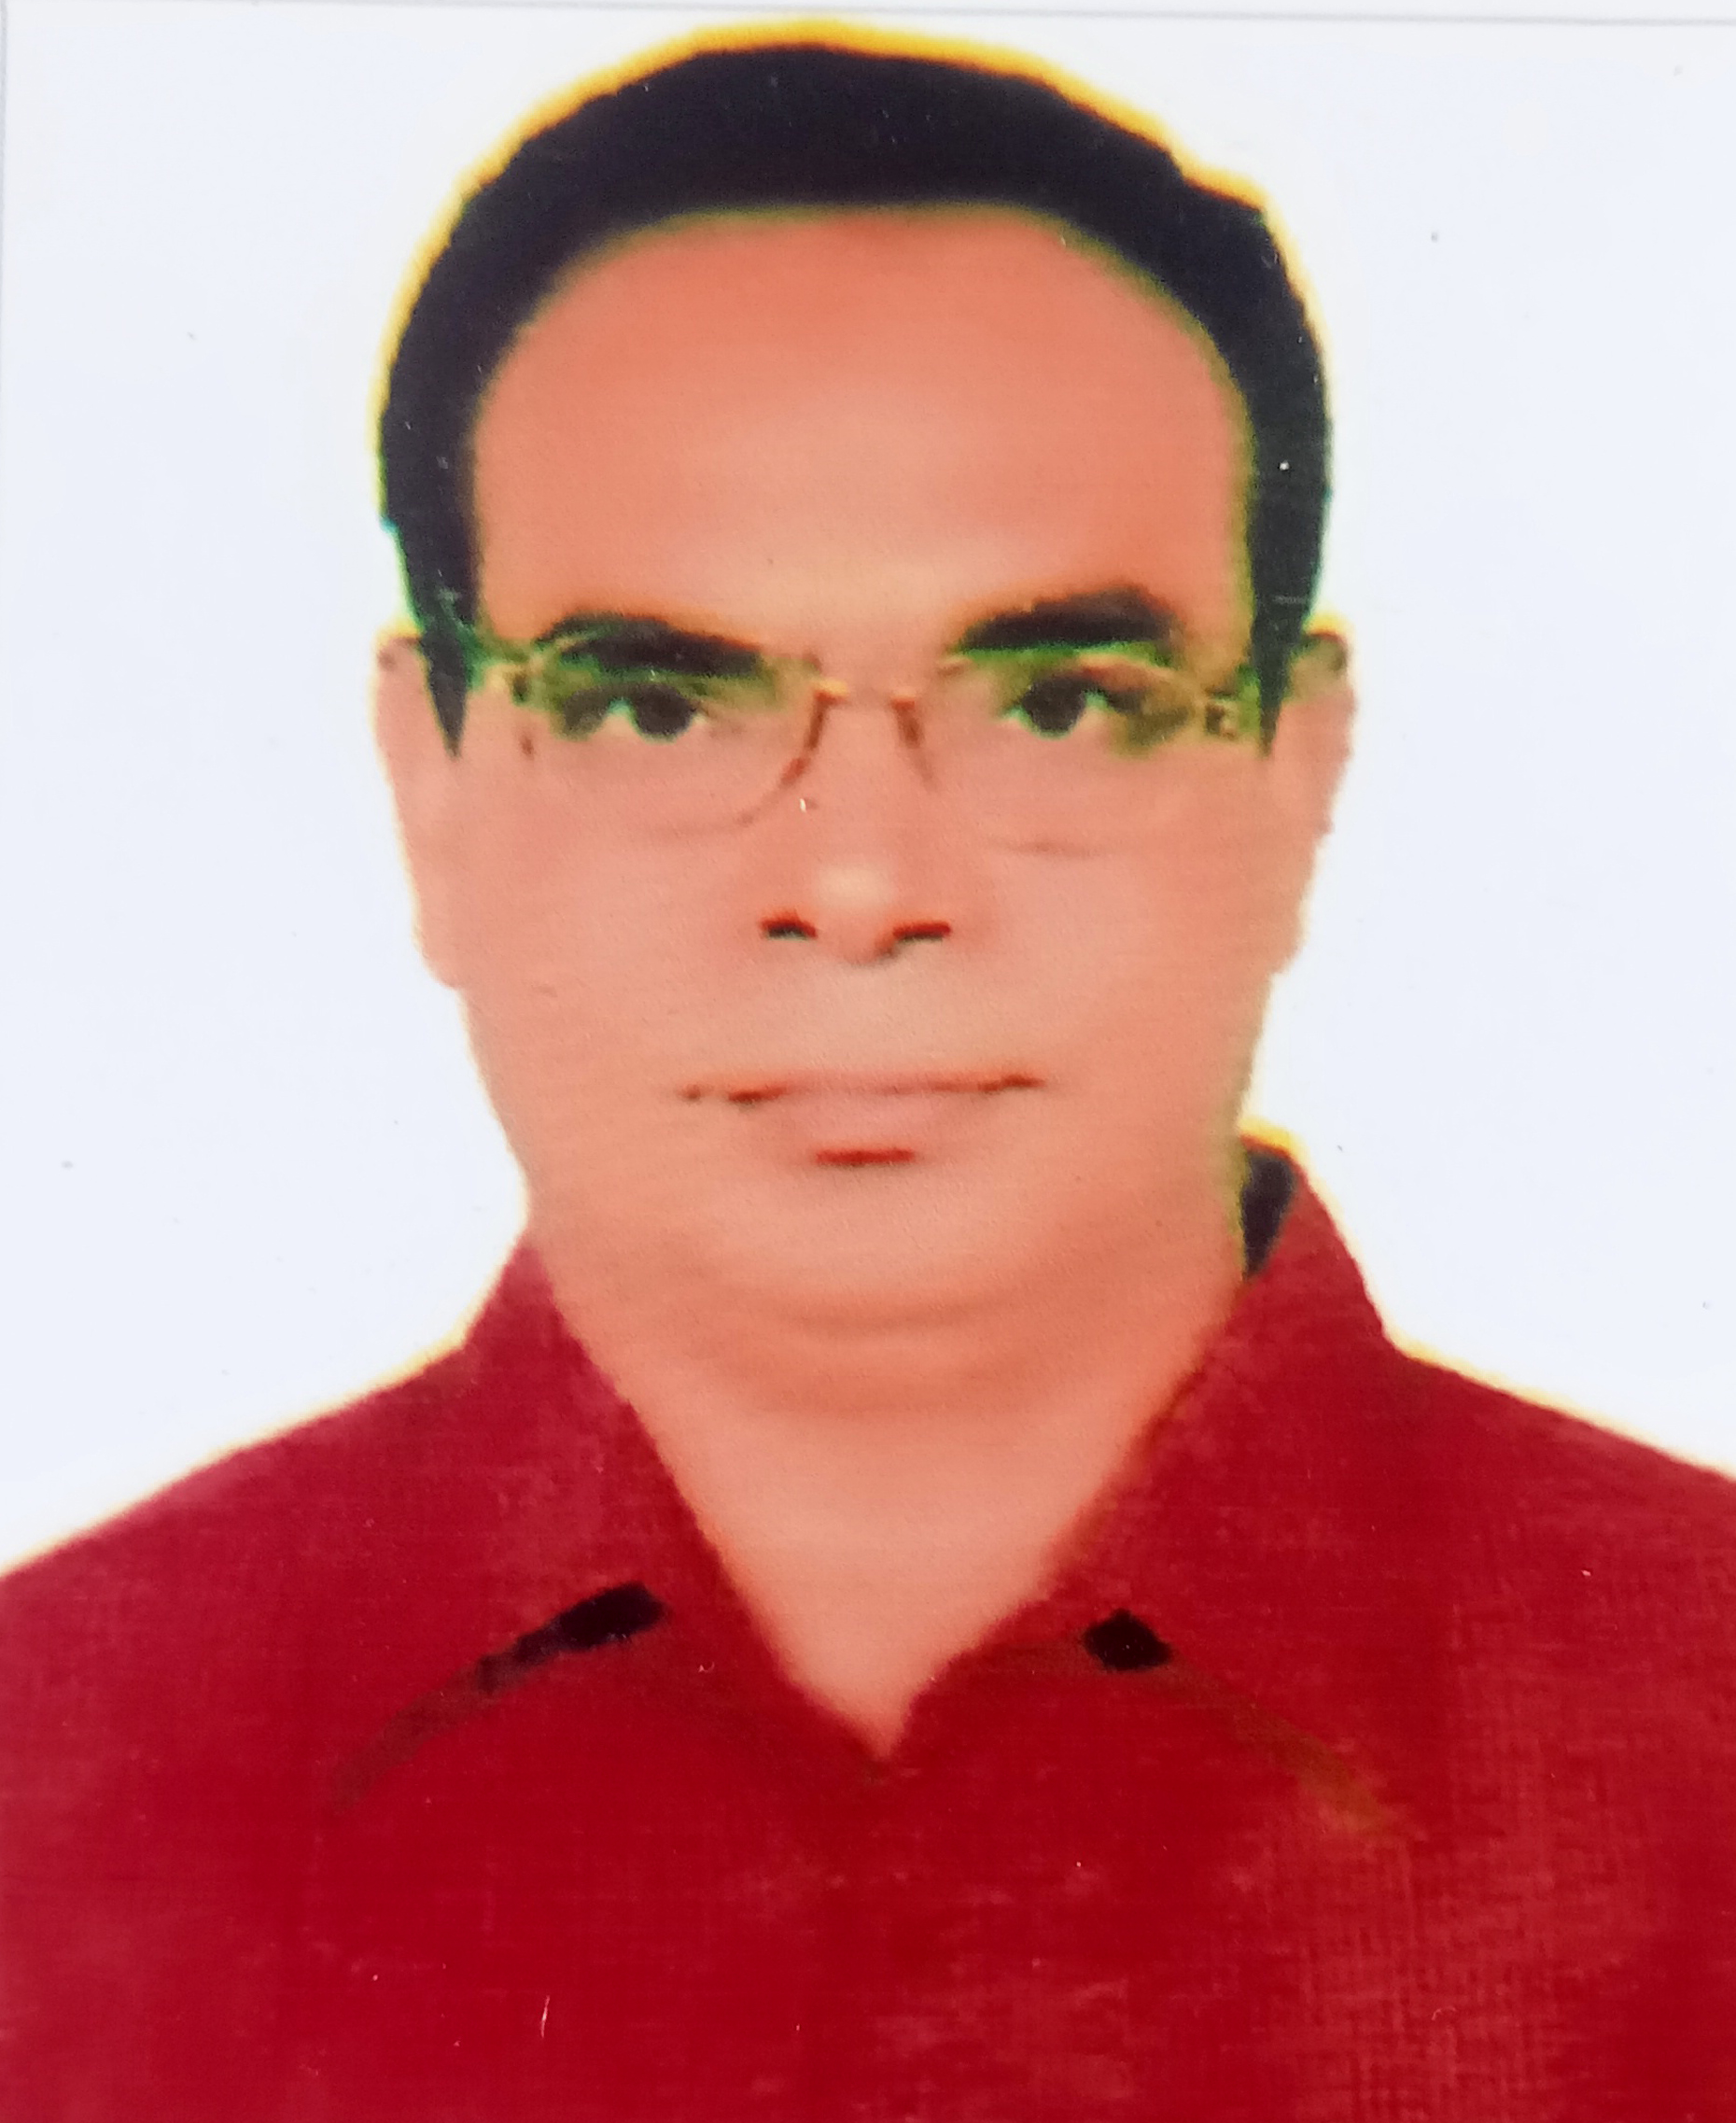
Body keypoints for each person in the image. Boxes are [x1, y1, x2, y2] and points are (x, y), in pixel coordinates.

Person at [2, 31, 1730, 2122]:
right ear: (431, 783)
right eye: (655, 709)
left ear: (1298, 771)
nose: (858, 882)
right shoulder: (46, 1782)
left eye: (1062, 703)